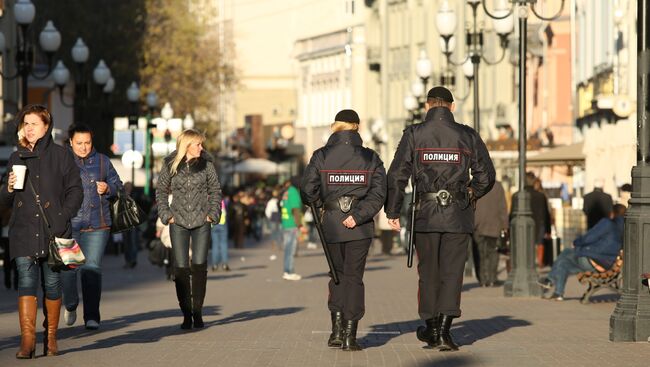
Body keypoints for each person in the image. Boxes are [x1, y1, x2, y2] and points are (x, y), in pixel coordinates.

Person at [385, 87, 495, 352]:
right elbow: (486, 175)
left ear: (427, 106)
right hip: (457, 215)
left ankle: (432, 328)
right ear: (452, 107)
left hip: (425, 214)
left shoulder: (414, 134)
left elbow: (397, 174)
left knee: (428, 273)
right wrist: (471, 192)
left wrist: (393, 211)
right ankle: (444, 331)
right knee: (452, 273)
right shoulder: (467, 135)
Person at [0, 105, 83, 358]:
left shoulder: (61, 155)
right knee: (26, 283)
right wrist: (10, 188)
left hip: (52, 231)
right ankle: (27, 341)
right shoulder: (17, 157)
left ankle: (51, 338)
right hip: (24, 229)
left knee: (52, 284)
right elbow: (4, 199)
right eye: (26, 124)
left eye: (34, 124)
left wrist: (62, 216)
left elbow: (76, 191)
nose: (29, 128)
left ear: (46, 127)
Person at [302, 109, 386, 351]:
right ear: (357, 127)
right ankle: (350, 335)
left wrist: (323, 207)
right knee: (353, 278)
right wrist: (358, 216)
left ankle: (336, 331)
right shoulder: (370, 157)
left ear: (335, 127)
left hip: (331, 223)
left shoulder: (321, 156)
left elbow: (308, 190)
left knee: (337, 276)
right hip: (359, 227)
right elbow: (379, 192)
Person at [156, 129, 222, 330]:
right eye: (198, 144)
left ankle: (197, 311)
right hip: (179, 223)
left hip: (202, 221)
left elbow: (215, 190)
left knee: (200, 266)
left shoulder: (207, 164)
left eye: (201, 144)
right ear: (187, 145)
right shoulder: (170, 164)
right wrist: (167, 215)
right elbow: (160, 191)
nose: (201, 148)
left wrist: (212, 213)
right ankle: (186, 312)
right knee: (181, 268)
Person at [61, 124, 123, 330]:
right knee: (69, 270)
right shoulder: (62, 161)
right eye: (79, 143)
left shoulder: (103, 161)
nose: (84, 147)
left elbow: (119, 186)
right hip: (69, 225)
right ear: (70, 142)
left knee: (92, 269)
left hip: (98, 224)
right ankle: (70, 304)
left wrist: (109, 188)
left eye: (87, 142)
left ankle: (92, 316)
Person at [539, 204, 626, 300]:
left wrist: (576, 242)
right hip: (608, 264)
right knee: (564, 262)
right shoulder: (626, 228)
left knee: (566, 253)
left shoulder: (608, 223)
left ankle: (550, 280)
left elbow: (589, 237)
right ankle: (558, 293)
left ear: (612, 213)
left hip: (596, 261)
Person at [510, 172, 551, 268]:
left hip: (521, 226)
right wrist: (548, 230)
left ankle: (526, 263)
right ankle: (539, 262)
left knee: (524, 245)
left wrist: (510, 228)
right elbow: (546, 214)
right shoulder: (541, 196)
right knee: (539, 243)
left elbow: (512, 214)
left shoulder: (516, 196)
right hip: (539, 224)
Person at [473, 179, 508, 287]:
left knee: (480, 254)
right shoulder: (497, 186)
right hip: (494, 225)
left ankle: (483, 279)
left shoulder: (474, 184)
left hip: (477, 225)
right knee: (493, 253)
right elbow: (502, 206)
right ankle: (492, 279)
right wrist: (504, 225)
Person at [279, 177, 304, 281]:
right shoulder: (293, 192)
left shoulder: (287, 192)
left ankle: (286, 270)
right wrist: (300, 225)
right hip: (292, 223)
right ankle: (289, 271)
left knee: (287, 249)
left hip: (285, 222)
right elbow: (295, 209)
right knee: (291, 249)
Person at [122, 182, 140, 268]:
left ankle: (133, 260)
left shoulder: (135, 195)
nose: (128, 188)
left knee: (132, 242)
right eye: (127, 187)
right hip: (125, 222)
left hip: (133, 222)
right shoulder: (121, 196)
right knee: (126, 243)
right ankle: (128, 260)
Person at [210, 199, 230, 271]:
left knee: (215, 245)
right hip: (222, 224)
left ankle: (215, 265)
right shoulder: (221, 201)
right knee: (223, 244)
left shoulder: (210, 201)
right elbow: (225, 212)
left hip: (214, 225)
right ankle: (225, 264)